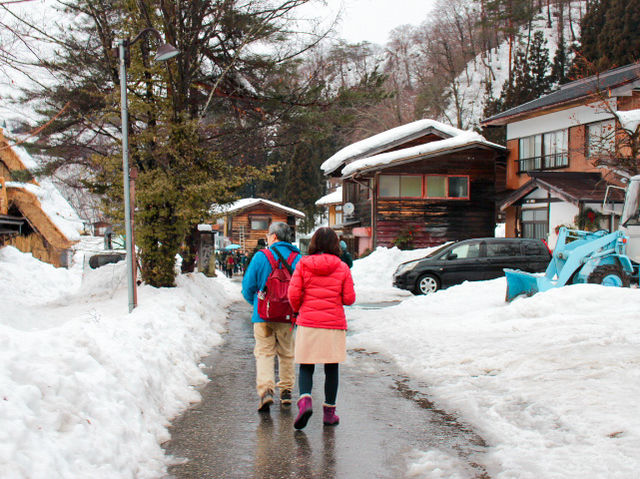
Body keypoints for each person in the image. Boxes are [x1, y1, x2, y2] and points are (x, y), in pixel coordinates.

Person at [287, 227, 356, 429]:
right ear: (335, 244)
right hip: (333, 324)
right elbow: (349, 298)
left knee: (306, 365)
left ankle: (306, 401)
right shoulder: (342, 267)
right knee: (331, 367)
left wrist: (300, 308)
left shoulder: (302, 264)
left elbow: (293, 294)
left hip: (308, 322)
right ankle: (329, 413)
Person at [242, 222, 302, 412]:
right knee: (286, 353)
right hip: (288, 315)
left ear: (274, 237)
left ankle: (266, 391)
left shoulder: (261, 257)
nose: (267, 238)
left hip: (263, 315)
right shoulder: (298, 258)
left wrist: (258, 305)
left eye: (268, 235)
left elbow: (247, 288)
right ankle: (286, 391)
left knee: (264, 352)